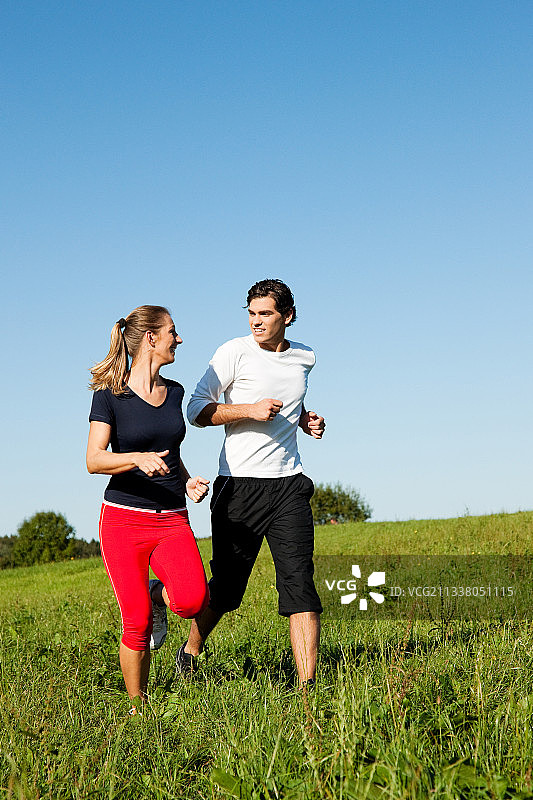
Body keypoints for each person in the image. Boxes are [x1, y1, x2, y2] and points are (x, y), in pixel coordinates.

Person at [180, 279, 325, 688]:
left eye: (266, 314)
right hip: (239, 486)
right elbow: (196, 410)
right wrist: (248, 410)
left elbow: (290, 400)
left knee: (300, 586)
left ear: (287, 316)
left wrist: (303, 419)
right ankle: (190, 650)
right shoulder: (233, 352)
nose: (257, 321)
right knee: (228, 588)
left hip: (289, 485)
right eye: (252, 314)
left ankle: (307, 692)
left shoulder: (305, 357)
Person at [86, 305, 210, 714]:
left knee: (192, 600)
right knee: (136, 621)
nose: (179, 339)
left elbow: (170, 451)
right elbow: (94, 459)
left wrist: (185, 479)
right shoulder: (111, 395)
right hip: (123, 520)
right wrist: (136, 458)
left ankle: (158, 593)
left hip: (172, 517)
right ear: (151, 338)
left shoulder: (174, 392)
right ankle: (139, 708)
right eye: (173, 331)